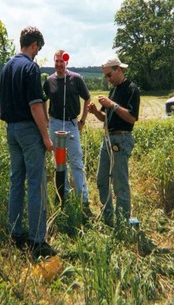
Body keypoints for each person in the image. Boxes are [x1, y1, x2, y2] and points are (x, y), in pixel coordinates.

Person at [0, 26, 56, 258]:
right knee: (36, 184)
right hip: (28, 131)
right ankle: (36, 240)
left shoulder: (6, 67)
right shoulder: (30, 67)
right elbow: (35, 105)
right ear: (33, 45)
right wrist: (45, 136)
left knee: (16, 181)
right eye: (38, 49)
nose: (37, 53)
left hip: (11, 130)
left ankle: (15, 233)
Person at [88, 57, 140, 227]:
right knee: (102, 179)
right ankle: (108, 218)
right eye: (106, 77)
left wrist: (113, 105)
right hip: (108, 138)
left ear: (118, 69)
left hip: (122, 139)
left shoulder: (131, 89)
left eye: (109, 75)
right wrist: (96, 111)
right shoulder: (113, 90)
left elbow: (132, 118)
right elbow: (106, 118)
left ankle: (123, 223)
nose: (108, 79)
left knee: (120, 182)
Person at [43, 50, 92, 217]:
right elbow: (43, 100)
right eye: (56, 61)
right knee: (59, 162)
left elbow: (87, 98)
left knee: (76, 162)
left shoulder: (76, 79)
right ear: (54, 62)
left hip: (72, 124)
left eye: (62, 61)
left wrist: (82, 121)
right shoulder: (49, 81)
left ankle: (83, 202)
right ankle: (63, 198)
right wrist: (46, 120)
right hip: (55, 123)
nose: (59, 64)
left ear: (67, 63)